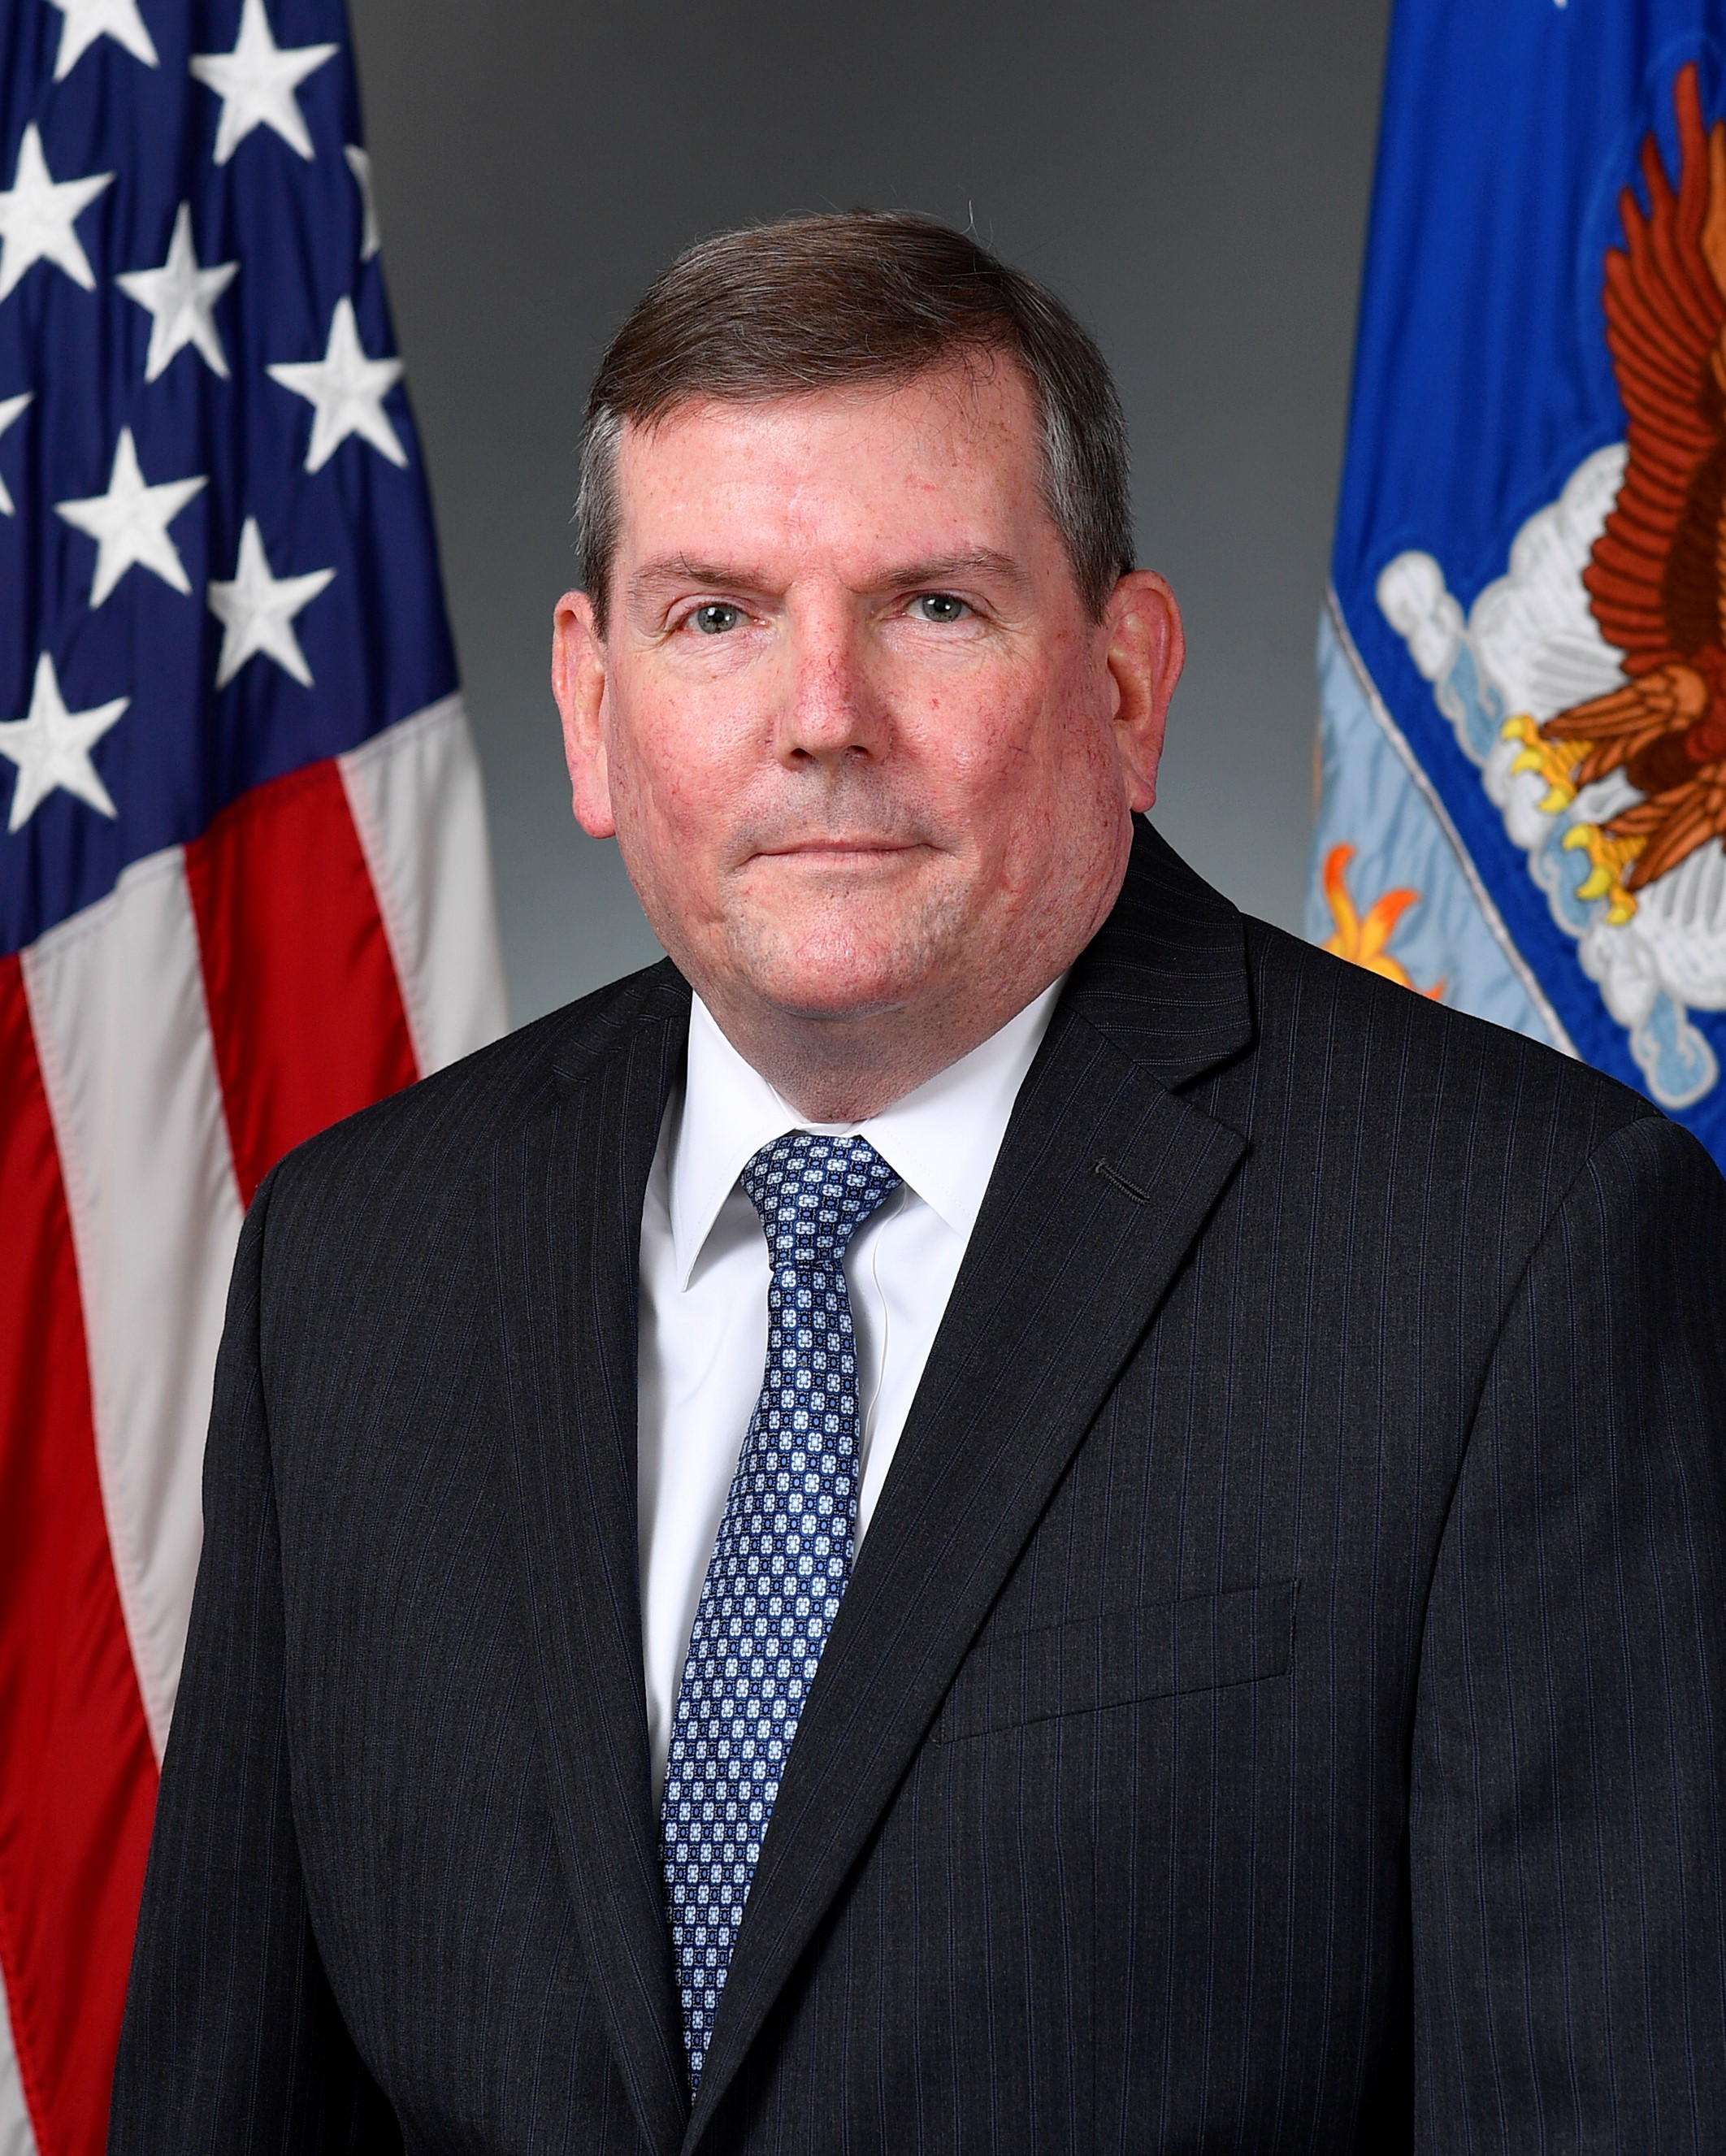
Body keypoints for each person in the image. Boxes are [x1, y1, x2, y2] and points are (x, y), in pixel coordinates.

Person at [111, 213, 1726, 2153]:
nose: (824, 715)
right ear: (591, 705)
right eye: (716, 615)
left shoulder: (1515, 1249)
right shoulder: (355, 1256)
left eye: (934, 606)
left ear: (1126, 682)